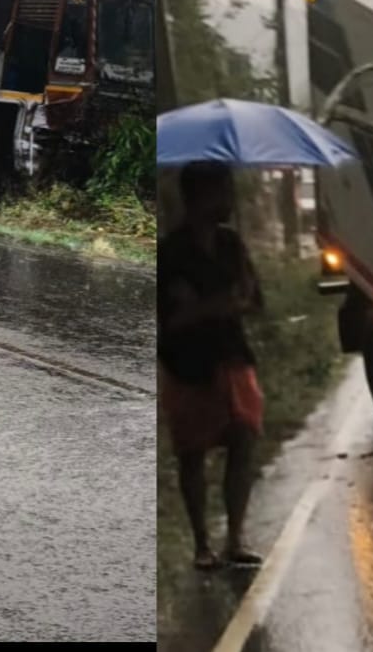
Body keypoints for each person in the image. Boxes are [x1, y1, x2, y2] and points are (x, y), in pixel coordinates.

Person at [158, 162, 265, 571]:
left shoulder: (231, 245)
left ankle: (235, 537)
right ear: (198, 197)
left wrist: (218, 303)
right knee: (192, 453)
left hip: (233, 357)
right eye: (222, 192)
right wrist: (212, 307)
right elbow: (171, 319)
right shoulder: (170, 253)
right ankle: (202, 544)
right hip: (187, 365)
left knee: (244, 439)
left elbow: (253, 299)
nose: (229, 202)